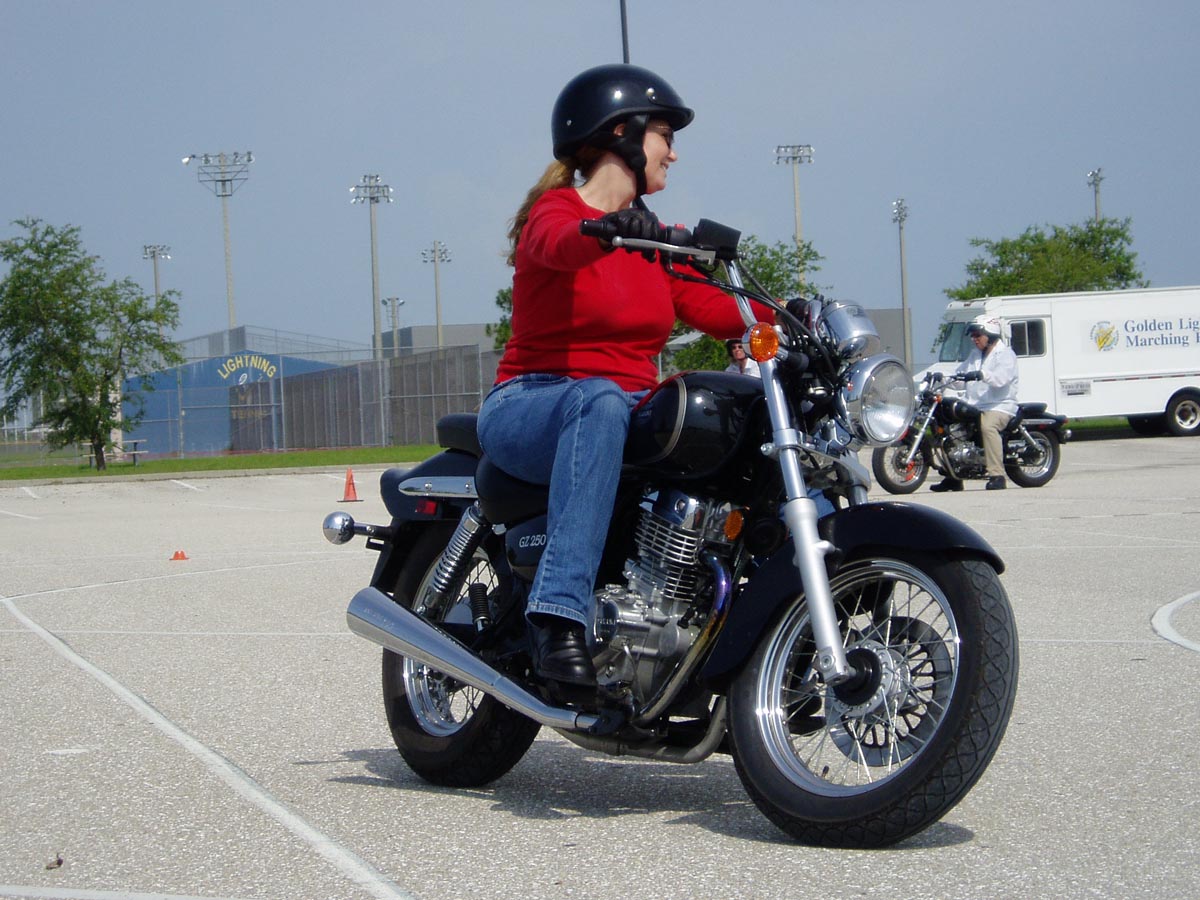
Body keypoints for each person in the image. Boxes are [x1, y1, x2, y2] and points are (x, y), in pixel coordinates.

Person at [476, 64, 772, 697]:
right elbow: (561, 245)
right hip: (531, 401)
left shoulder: (652, 240)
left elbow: (713, 305)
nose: (674, 152)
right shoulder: (556, 213)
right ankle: (557, 614)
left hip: (619, 410)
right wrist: (607, 232)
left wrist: (787, 315)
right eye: (666, 134)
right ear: (623, 134)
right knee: (601, 399)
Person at [930, 314, 1019, 492]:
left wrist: (982, 375)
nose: (974, 339)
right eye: (973, 335)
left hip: (999, 405)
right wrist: (943, 378)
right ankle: (953, 477)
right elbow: (961, 378)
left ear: (990, 335)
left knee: (987, 426)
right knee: (951, 428)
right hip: (976, 405)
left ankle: (997, 475)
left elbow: (1001, 379)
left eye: (978, 335)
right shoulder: (975, 355)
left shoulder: (1005, 355)